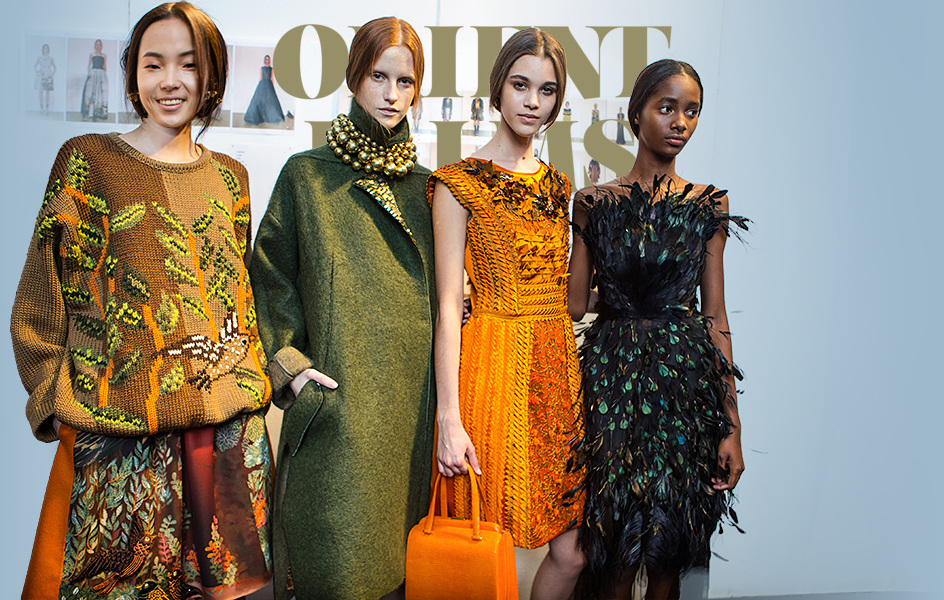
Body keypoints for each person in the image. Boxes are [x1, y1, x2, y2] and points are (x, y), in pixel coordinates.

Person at [13, 3, 273, 599]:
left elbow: (238, 298)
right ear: (132, 74)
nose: (170, 81)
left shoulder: (231, 177)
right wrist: (55, 401)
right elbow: (40, 296)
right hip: (119, 440)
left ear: (211, 75)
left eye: (188, 64)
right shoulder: (87, 161)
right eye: (154, 64)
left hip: (224, 436)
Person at [250, 16, 435, 600]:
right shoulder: (307, 176)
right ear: (354, 76)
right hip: (338, 413)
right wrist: (293, 368)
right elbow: (270, 278)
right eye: (378, 76)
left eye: (405, 81)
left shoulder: (428, 188)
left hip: (409, 418)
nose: (391, 94)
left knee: (400, 577)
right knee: (335, 573)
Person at [567, 59, 747, 600]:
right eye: (666, 107)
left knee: (668, 552)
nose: (680, 122)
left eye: (691, 111)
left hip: (682, 386)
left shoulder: (708, 204)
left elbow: (715, 316)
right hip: (611, 385)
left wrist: (732, 425)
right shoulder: (593, 202)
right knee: (613, 554)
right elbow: (573, 304)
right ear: (636, 114)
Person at [429, 28, 585, 600]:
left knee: (573, 551)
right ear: (498, 89)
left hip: (556, 376)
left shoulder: (560, 186)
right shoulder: (457, 183)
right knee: (481, 537)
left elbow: (564, 288)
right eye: (521, 85)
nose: (532, 102)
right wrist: (449, 418)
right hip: (491, 369)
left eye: (547, 91)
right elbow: (449, 305)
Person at [243, 54, 284, 125]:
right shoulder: (261, 68)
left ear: (269, 60)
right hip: (262, 85)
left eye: (268, 59)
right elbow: (260, 78)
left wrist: (272, 87)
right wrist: (258, 87)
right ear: (264, 60)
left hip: (269, 85)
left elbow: (271, 78)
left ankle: (270, 117)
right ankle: (260, 117)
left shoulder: (271, 69)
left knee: (270, 101)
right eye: (266, 59)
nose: (267, 60)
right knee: (259, 100)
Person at [81, 38, 109, 120]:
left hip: (101, 75)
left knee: (99, 94)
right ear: (95, 46)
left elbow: (105, 67)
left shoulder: (104, 55)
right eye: (97, 44)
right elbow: (89, 65)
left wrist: (104, 76)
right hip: (93, 74)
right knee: (89, 93)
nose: (98, 46)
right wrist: (89, 74)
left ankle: (97, 114)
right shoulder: (92, 54)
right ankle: (87, 114)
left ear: (101, 46)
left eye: (99, 45)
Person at [34, 43, 56, 115]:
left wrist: (52, 75)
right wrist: (38, 72)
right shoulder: (39, 58)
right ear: (42, 49)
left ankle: (47, 109)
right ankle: (41, 108)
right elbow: (35, 66)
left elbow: (55, 68)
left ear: (48, 49)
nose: (45, 49)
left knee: (47, 92)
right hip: (41, 76)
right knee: (41, 92)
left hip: (48, 76)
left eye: (46, 48)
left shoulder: (51, 58)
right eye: (44, 48)